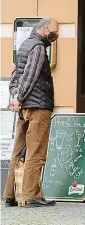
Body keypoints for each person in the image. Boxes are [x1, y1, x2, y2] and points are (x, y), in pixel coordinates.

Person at [4, 17, 59, 207]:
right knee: (36, 151)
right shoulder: (38, 47)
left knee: (18, 151)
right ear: (43, 29)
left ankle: (10, 194)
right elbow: (31, 76)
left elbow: (15, 77)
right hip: (38, 107)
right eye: (52, 31)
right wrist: (19, 98)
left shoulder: (24, 46)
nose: (54, 35)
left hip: (24, 108)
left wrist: (16, 97)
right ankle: (30, 196)